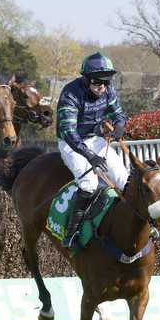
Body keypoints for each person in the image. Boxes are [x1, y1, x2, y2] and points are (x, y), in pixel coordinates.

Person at [56, 52, 128, 248]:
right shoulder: (71, 93)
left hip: (94, 139)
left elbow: (119, 114)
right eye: (97, 82)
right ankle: (71, 233)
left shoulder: (108, 90)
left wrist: (120, 126)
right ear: (86, 79)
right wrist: (90, 156)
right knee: (89, 184)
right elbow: (68, 132)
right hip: (70, 143)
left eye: (106, 82)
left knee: (124, 180)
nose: (102, 87)